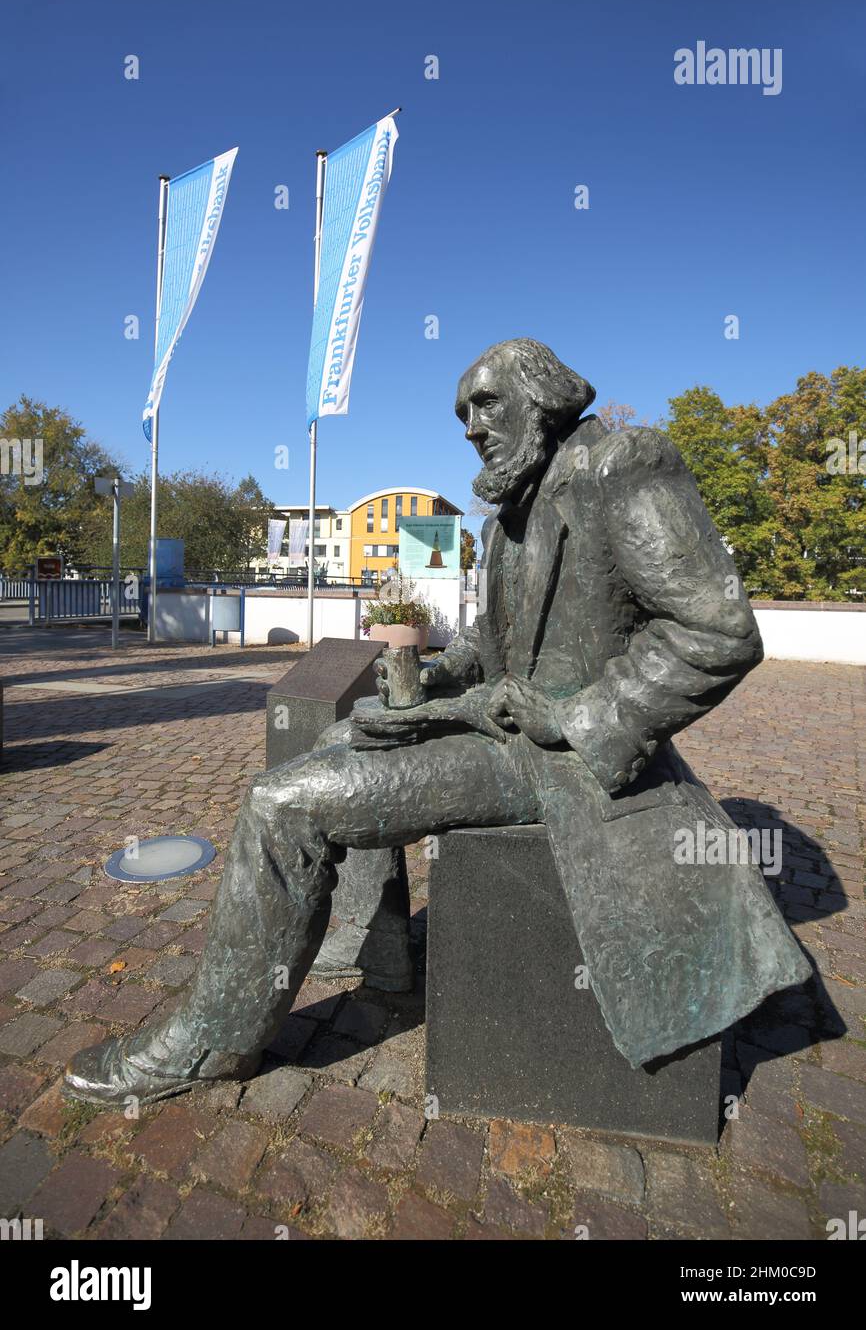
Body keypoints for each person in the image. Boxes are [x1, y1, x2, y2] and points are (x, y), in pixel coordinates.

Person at [64, 339, 809, 1107]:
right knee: (342, 733)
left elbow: (716, 630)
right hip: (507, 731)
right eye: (462, 413)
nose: (470, 426)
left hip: (559, 756)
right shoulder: (506, 517)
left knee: (279, 802)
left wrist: (577, 718)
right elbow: (494, 647)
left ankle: (211, 1040)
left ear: (541, 400)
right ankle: (379, 951)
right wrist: (429, 680)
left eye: (485, 404)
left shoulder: (621, 468)